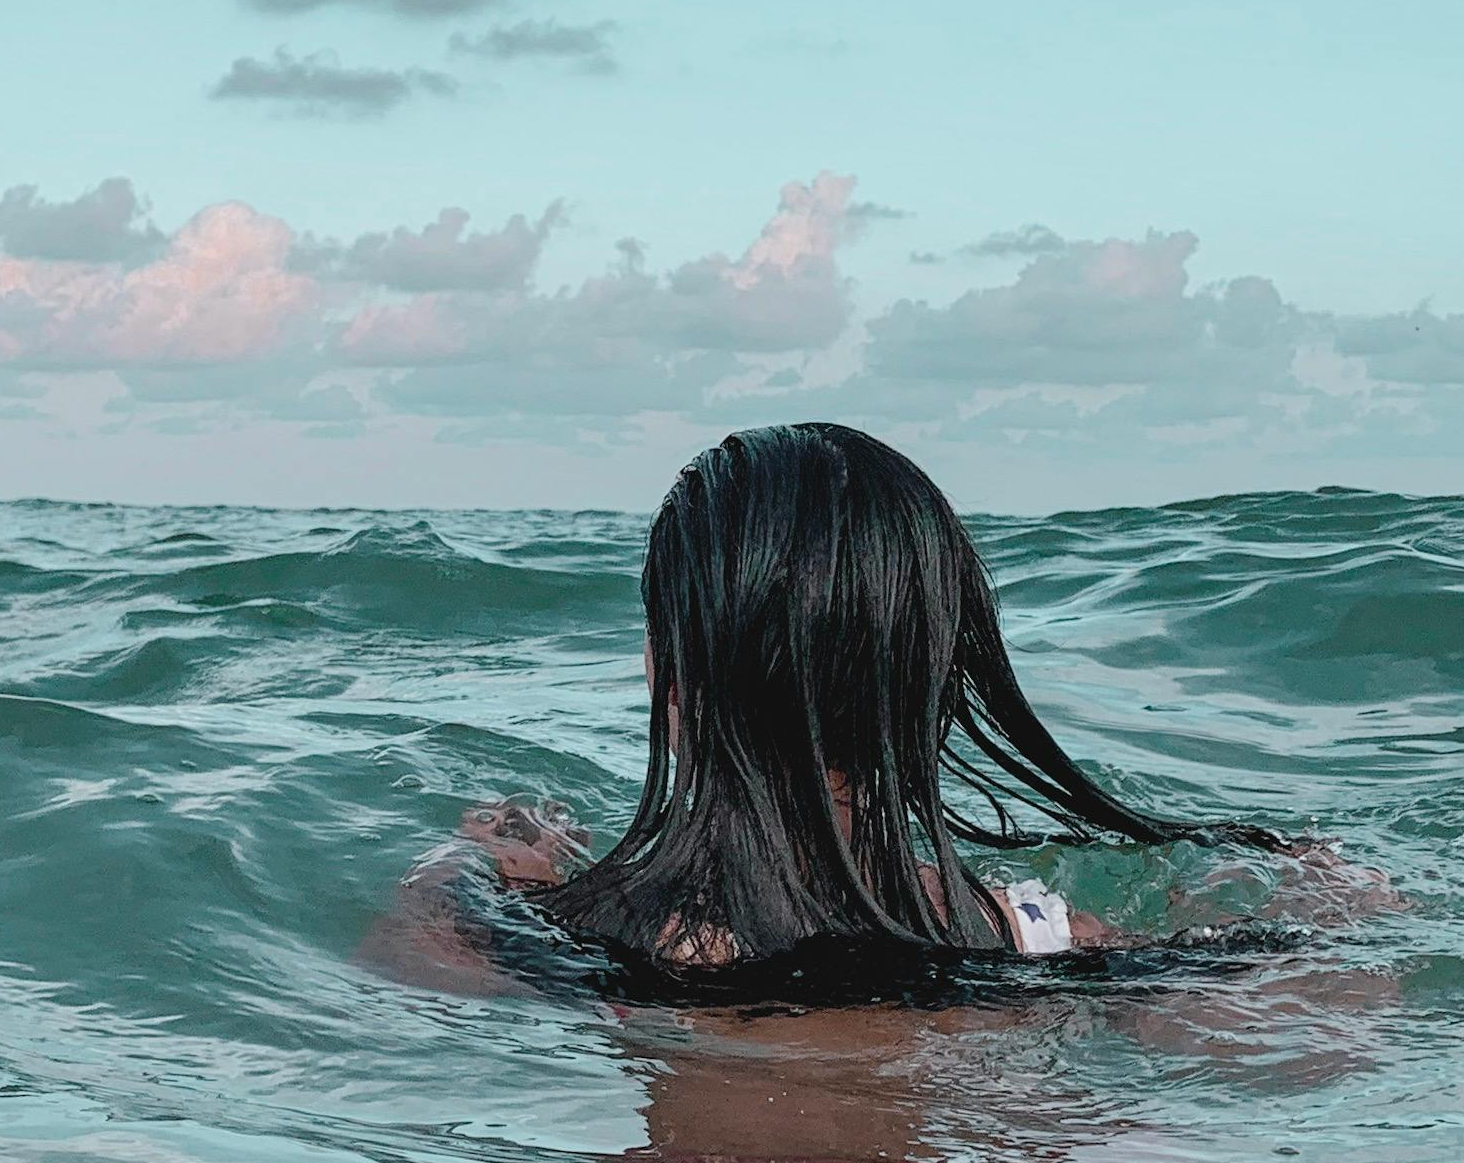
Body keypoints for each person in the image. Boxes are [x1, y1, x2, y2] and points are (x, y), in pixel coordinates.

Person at [365, 420, 1394, 1001]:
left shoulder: (527, 935)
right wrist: (1333, 909)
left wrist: (475, 865)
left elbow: (395, 1008)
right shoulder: (1026, 937)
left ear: (672, 682)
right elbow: (1334, 1021)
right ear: (942, 681)